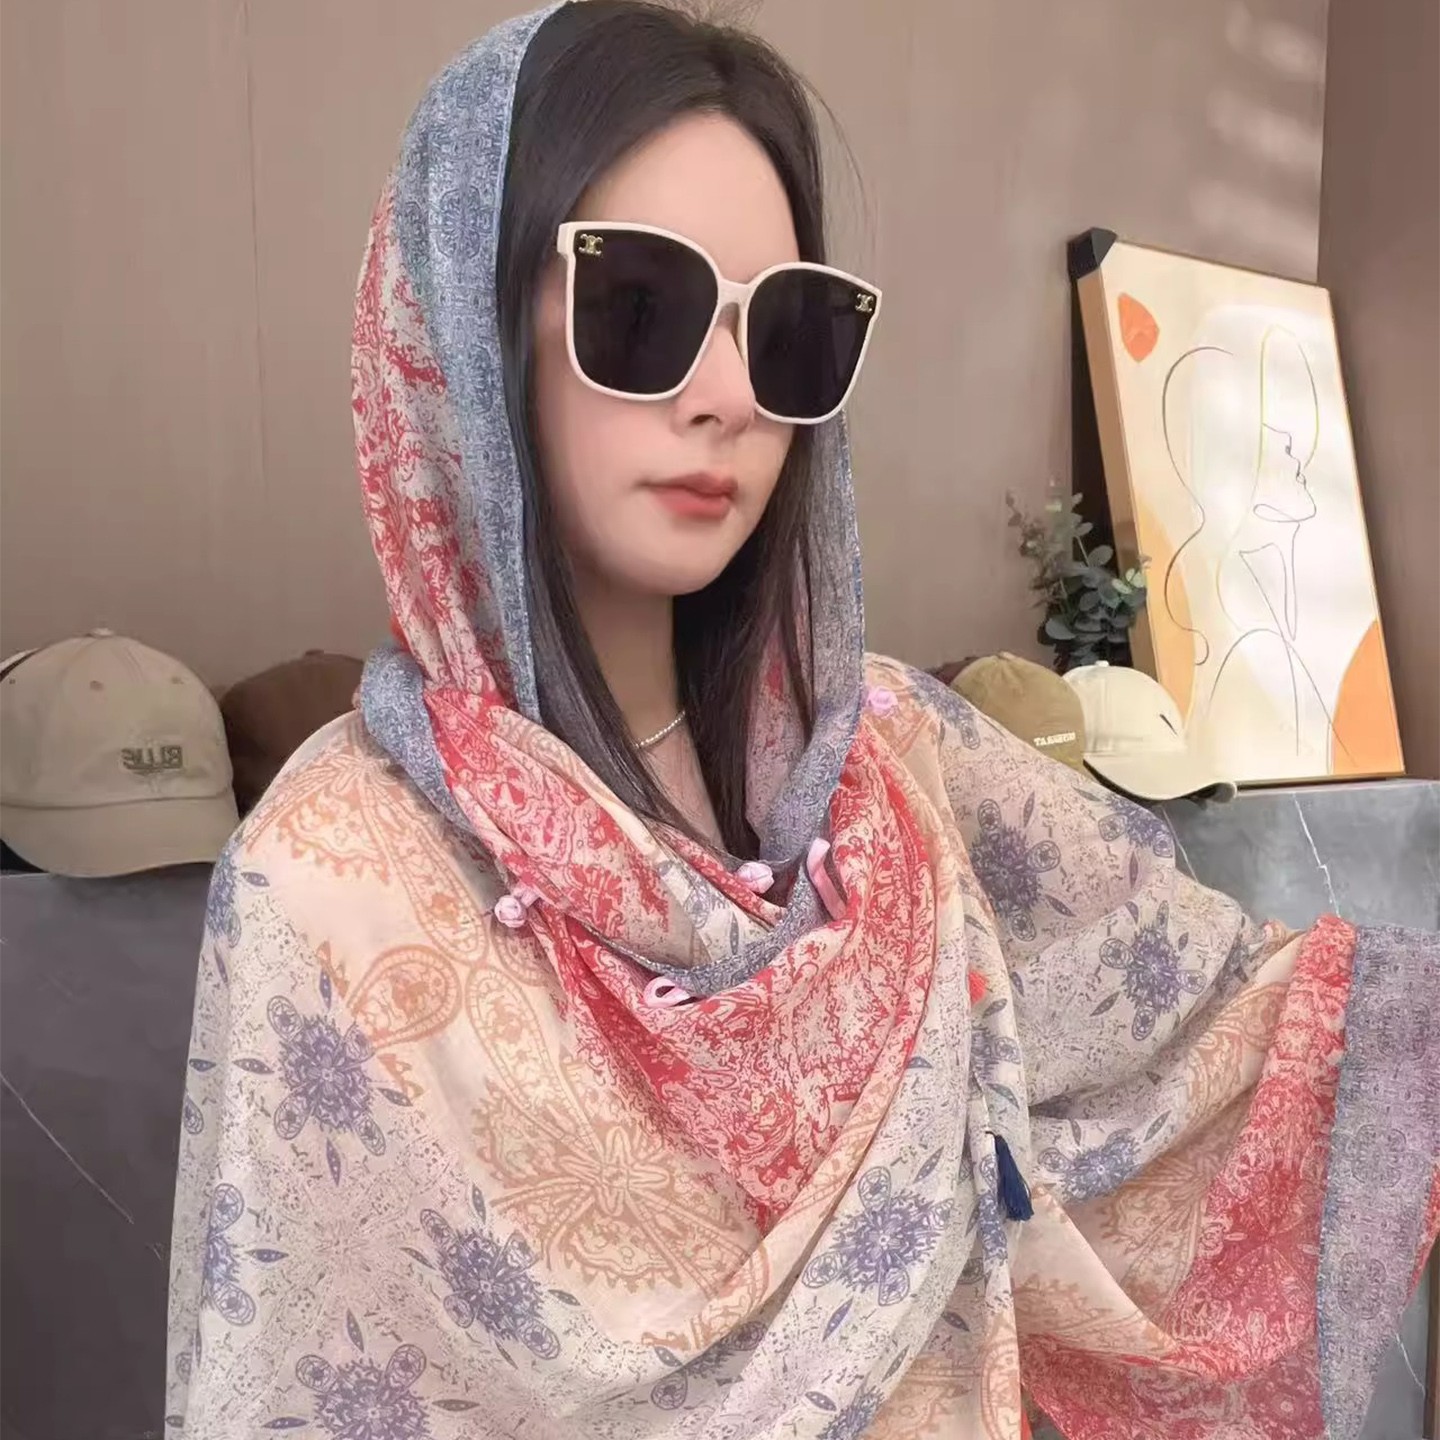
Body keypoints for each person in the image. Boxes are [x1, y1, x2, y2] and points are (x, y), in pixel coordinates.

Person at [166, 5, 1438, 1437]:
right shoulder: (326, 883)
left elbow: (1211, 1025)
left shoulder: (894, 761)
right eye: (640, 305)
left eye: (786, 332)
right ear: (468, 323)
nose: (727, 398)